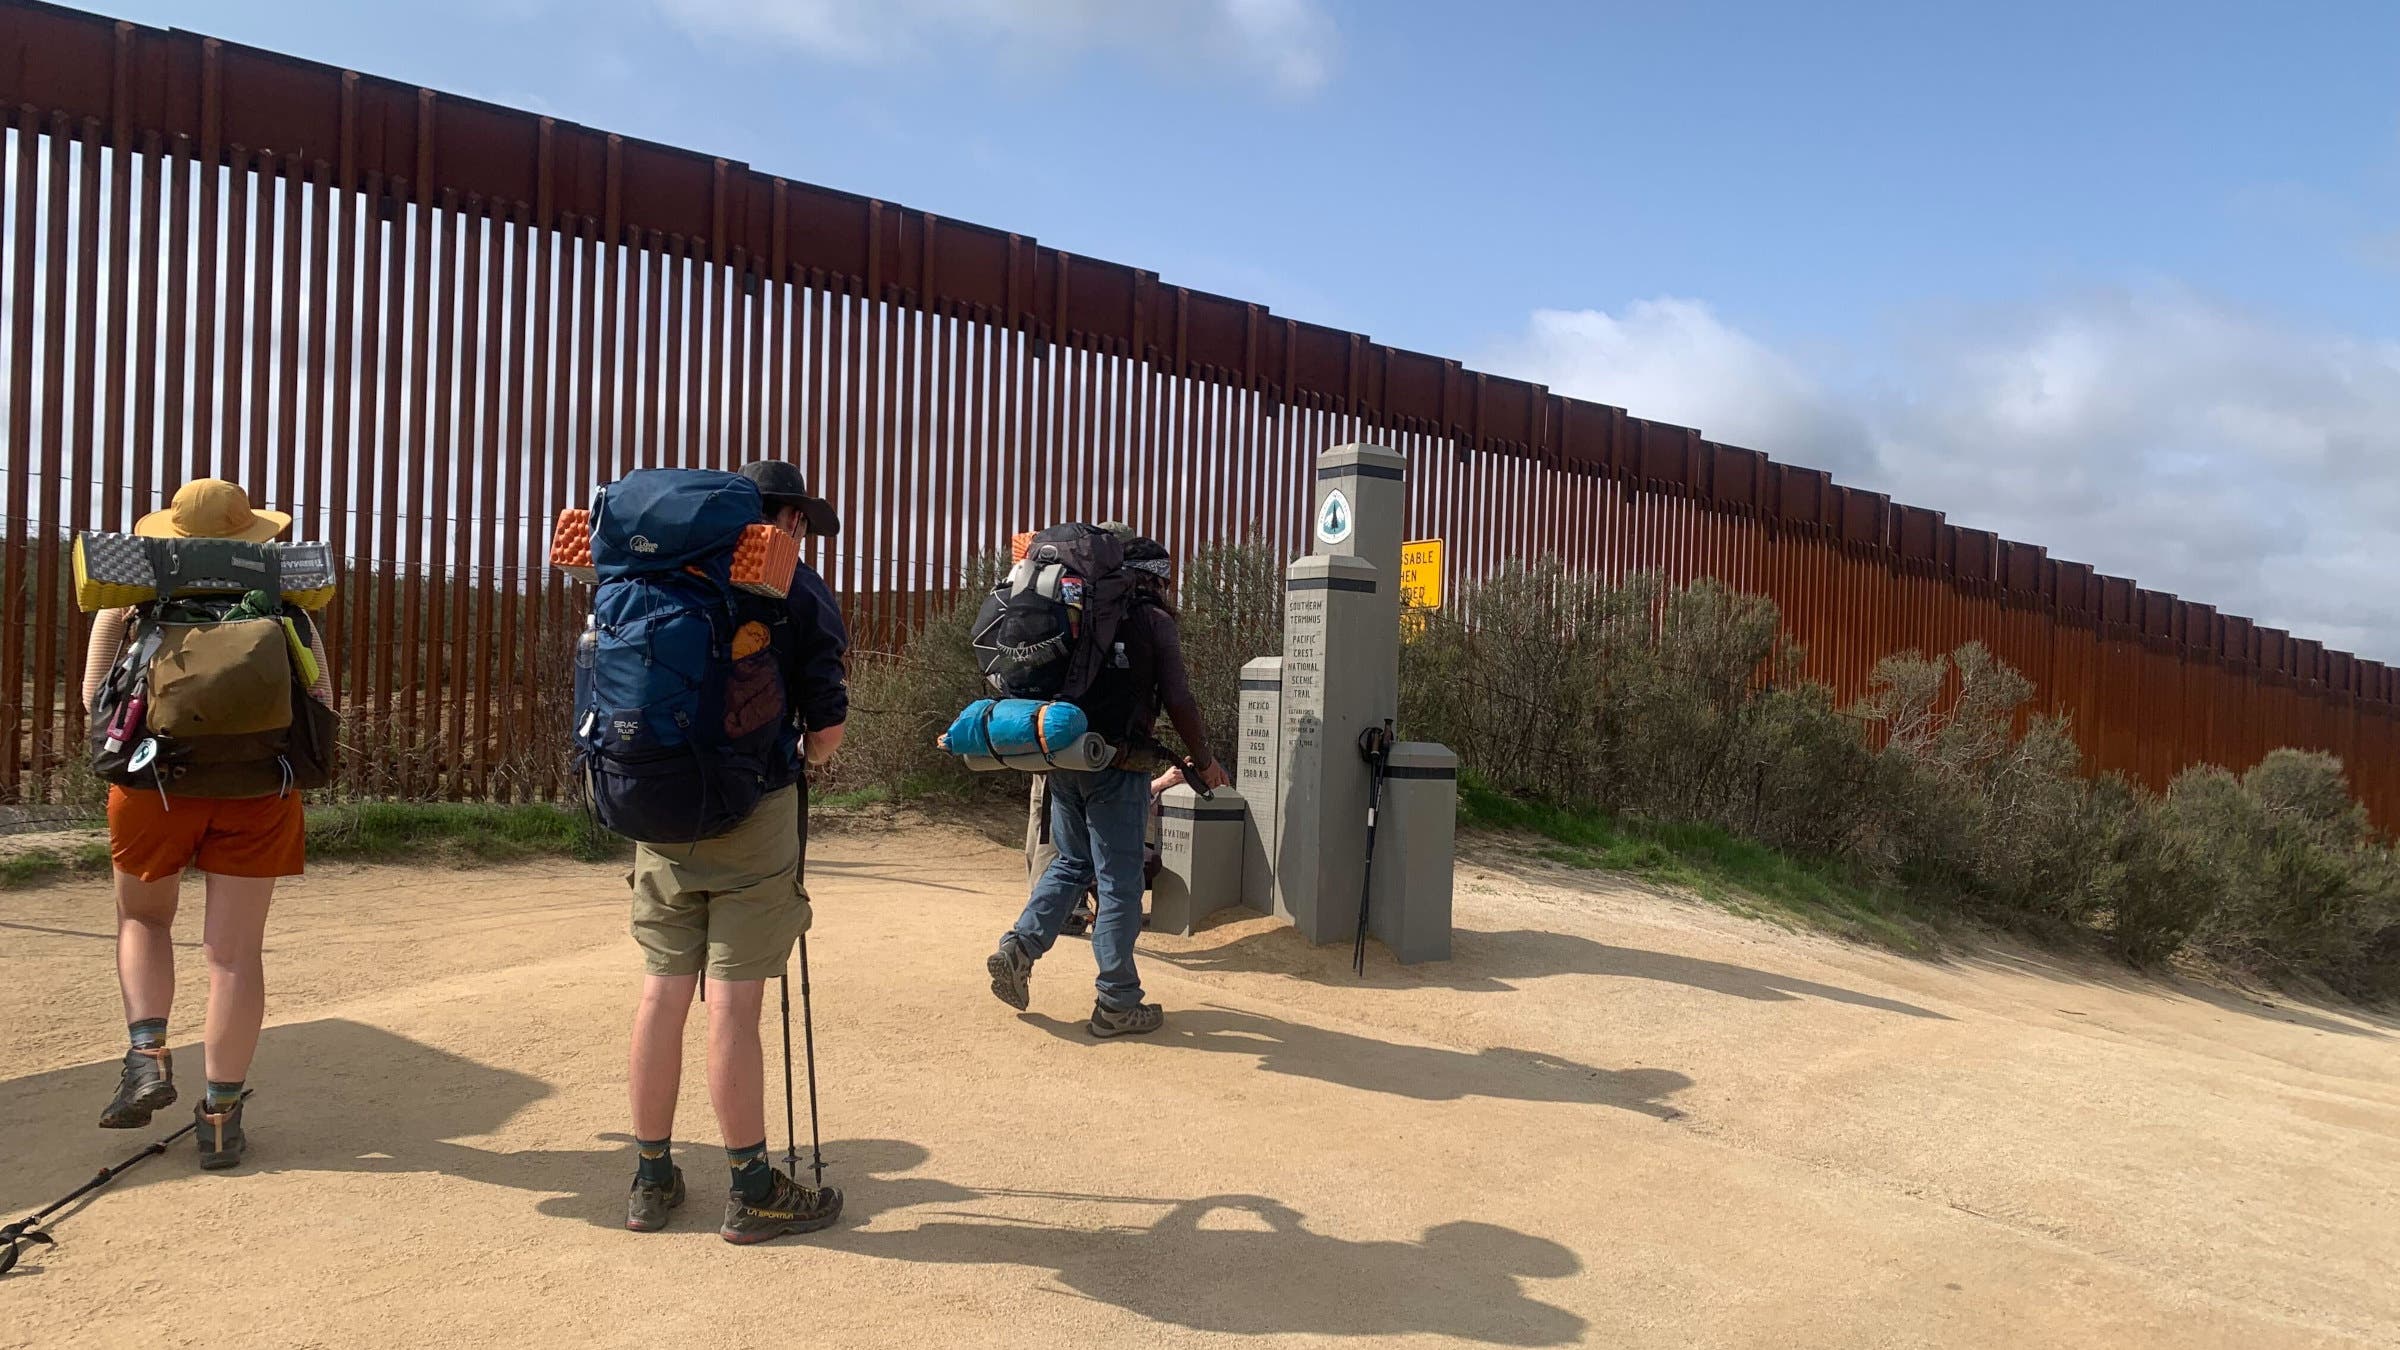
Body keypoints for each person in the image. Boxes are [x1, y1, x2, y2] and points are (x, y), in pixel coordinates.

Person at [620, 459, 851, 1242]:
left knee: (661, 994)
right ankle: (752, 1187)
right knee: (735, 1005)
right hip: (752, 809)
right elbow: (826, 730)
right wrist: (809, 757)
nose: (799, 537)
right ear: (781, 518)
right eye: (799, 522)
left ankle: (651, 1178)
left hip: (656, 808)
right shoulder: (792, 580)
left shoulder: (650, 569)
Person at [86, 478, 335, 1170]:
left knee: (143, 920)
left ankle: (147, 1054)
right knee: (232, 957)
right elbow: (320, 697)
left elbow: (92, 697)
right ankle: (220, 1117)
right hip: (260, 790)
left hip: (152, 782)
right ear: (252, 534)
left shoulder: (134, 598)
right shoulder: (283, 600)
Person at [985, 533, 1230, 1036]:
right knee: (1119, 879)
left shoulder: (1082, 611)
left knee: (1073, 862)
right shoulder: (1151, 621)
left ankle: (1019, 947)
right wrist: (1203, 760)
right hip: (1117, 764)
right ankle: (1118, 999)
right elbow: (1179, 700)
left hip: (1065, 755)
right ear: (1157, 579)